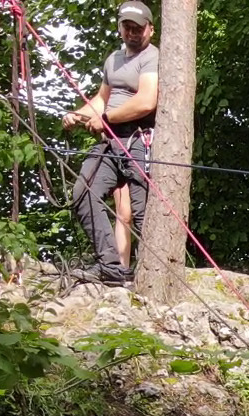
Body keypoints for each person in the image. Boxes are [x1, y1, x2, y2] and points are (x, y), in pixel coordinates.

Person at [62, 1, 159, 285]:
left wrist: (105, 117)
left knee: (142, 212)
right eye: (127, 27)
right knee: (83, 193)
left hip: (138, 139)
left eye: (138, 28)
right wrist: (77, 115)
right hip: (109, 141)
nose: (132, 33)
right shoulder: (113, 60)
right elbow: (101, 98)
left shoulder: (152, 57)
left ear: (150, 30)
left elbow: (146, 101)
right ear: (120, 28)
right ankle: (111, 267)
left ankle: (152, 277)